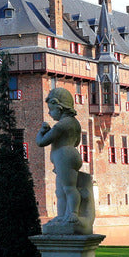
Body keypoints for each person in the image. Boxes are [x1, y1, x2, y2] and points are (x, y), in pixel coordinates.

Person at [36, 88, 84, 231]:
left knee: (68, 188)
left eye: (51, 110)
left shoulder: (62, 125)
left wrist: (42, 131)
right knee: (61, 191)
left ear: (59, 107)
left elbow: (42, 142)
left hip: (64, 157)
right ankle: (63, 215)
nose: (50, 113)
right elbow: (77, 142)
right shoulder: (75, 123)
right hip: (70, 155)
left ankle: (73, 214)